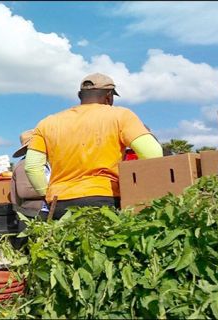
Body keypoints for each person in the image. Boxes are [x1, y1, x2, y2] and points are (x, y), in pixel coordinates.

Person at [24, 72, 163, 219]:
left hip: (60, 203)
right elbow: (153, 153)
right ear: (109, 96)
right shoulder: (121, 116)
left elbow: (32, 167)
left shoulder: (47, 123)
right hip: (104, 198)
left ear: (80, 95)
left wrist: (46, 193)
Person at [10, 129, 50, 245]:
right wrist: (51, 191)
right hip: (32, 213)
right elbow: (24, 191)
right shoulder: (24, 165)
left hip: (42, 211)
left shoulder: (46, 163)